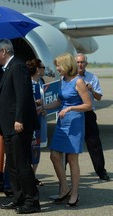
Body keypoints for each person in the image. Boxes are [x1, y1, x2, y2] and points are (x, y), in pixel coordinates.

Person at [0, 39, 41, 214]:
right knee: (12, 164)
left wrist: (19, 119)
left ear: (4, 51)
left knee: (22, 163)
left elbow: (23, 95)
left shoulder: (18, 66)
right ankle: (19, 197)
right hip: (7, 125)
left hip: (17, 125)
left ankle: (32, 200)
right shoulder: (6, 70)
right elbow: (1, 96)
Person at [38, 52, 91, 207]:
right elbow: (59, 101)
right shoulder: (62, 80)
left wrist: (70, 109)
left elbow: (88, 105)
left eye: (59, 65)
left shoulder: (78, 81)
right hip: (62, 123)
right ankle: (65, 188)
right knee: (54, 155)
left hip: (74, 123)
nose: (57, 68)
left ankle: (74, 194)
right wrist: (43, 106)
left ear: (67, 66)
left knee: (72, 159)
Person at [75, 53, 110, 181]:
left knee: (94, 143)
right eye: (78, 62)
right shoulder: (67, 77)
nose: (80, 64)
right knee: (70, 144)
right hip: (73, 114)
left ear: (86, 64)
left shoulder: (92, 77)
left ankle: (101, 171)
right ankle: (64, 170)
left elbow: (99, 97)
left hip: (88, 114)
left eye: (82, 62)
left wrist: (91, 91)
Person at [26, 59, 47, 186]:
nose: (45, 69)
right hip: (32, 119)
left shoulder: (42, 82)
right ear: (38, 69)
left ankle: (33, 175)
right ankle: (29, 176)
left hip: (41, 118)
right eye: (43, 67)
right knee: (31, 147)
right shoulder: (28, 83)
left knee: (37, 148)